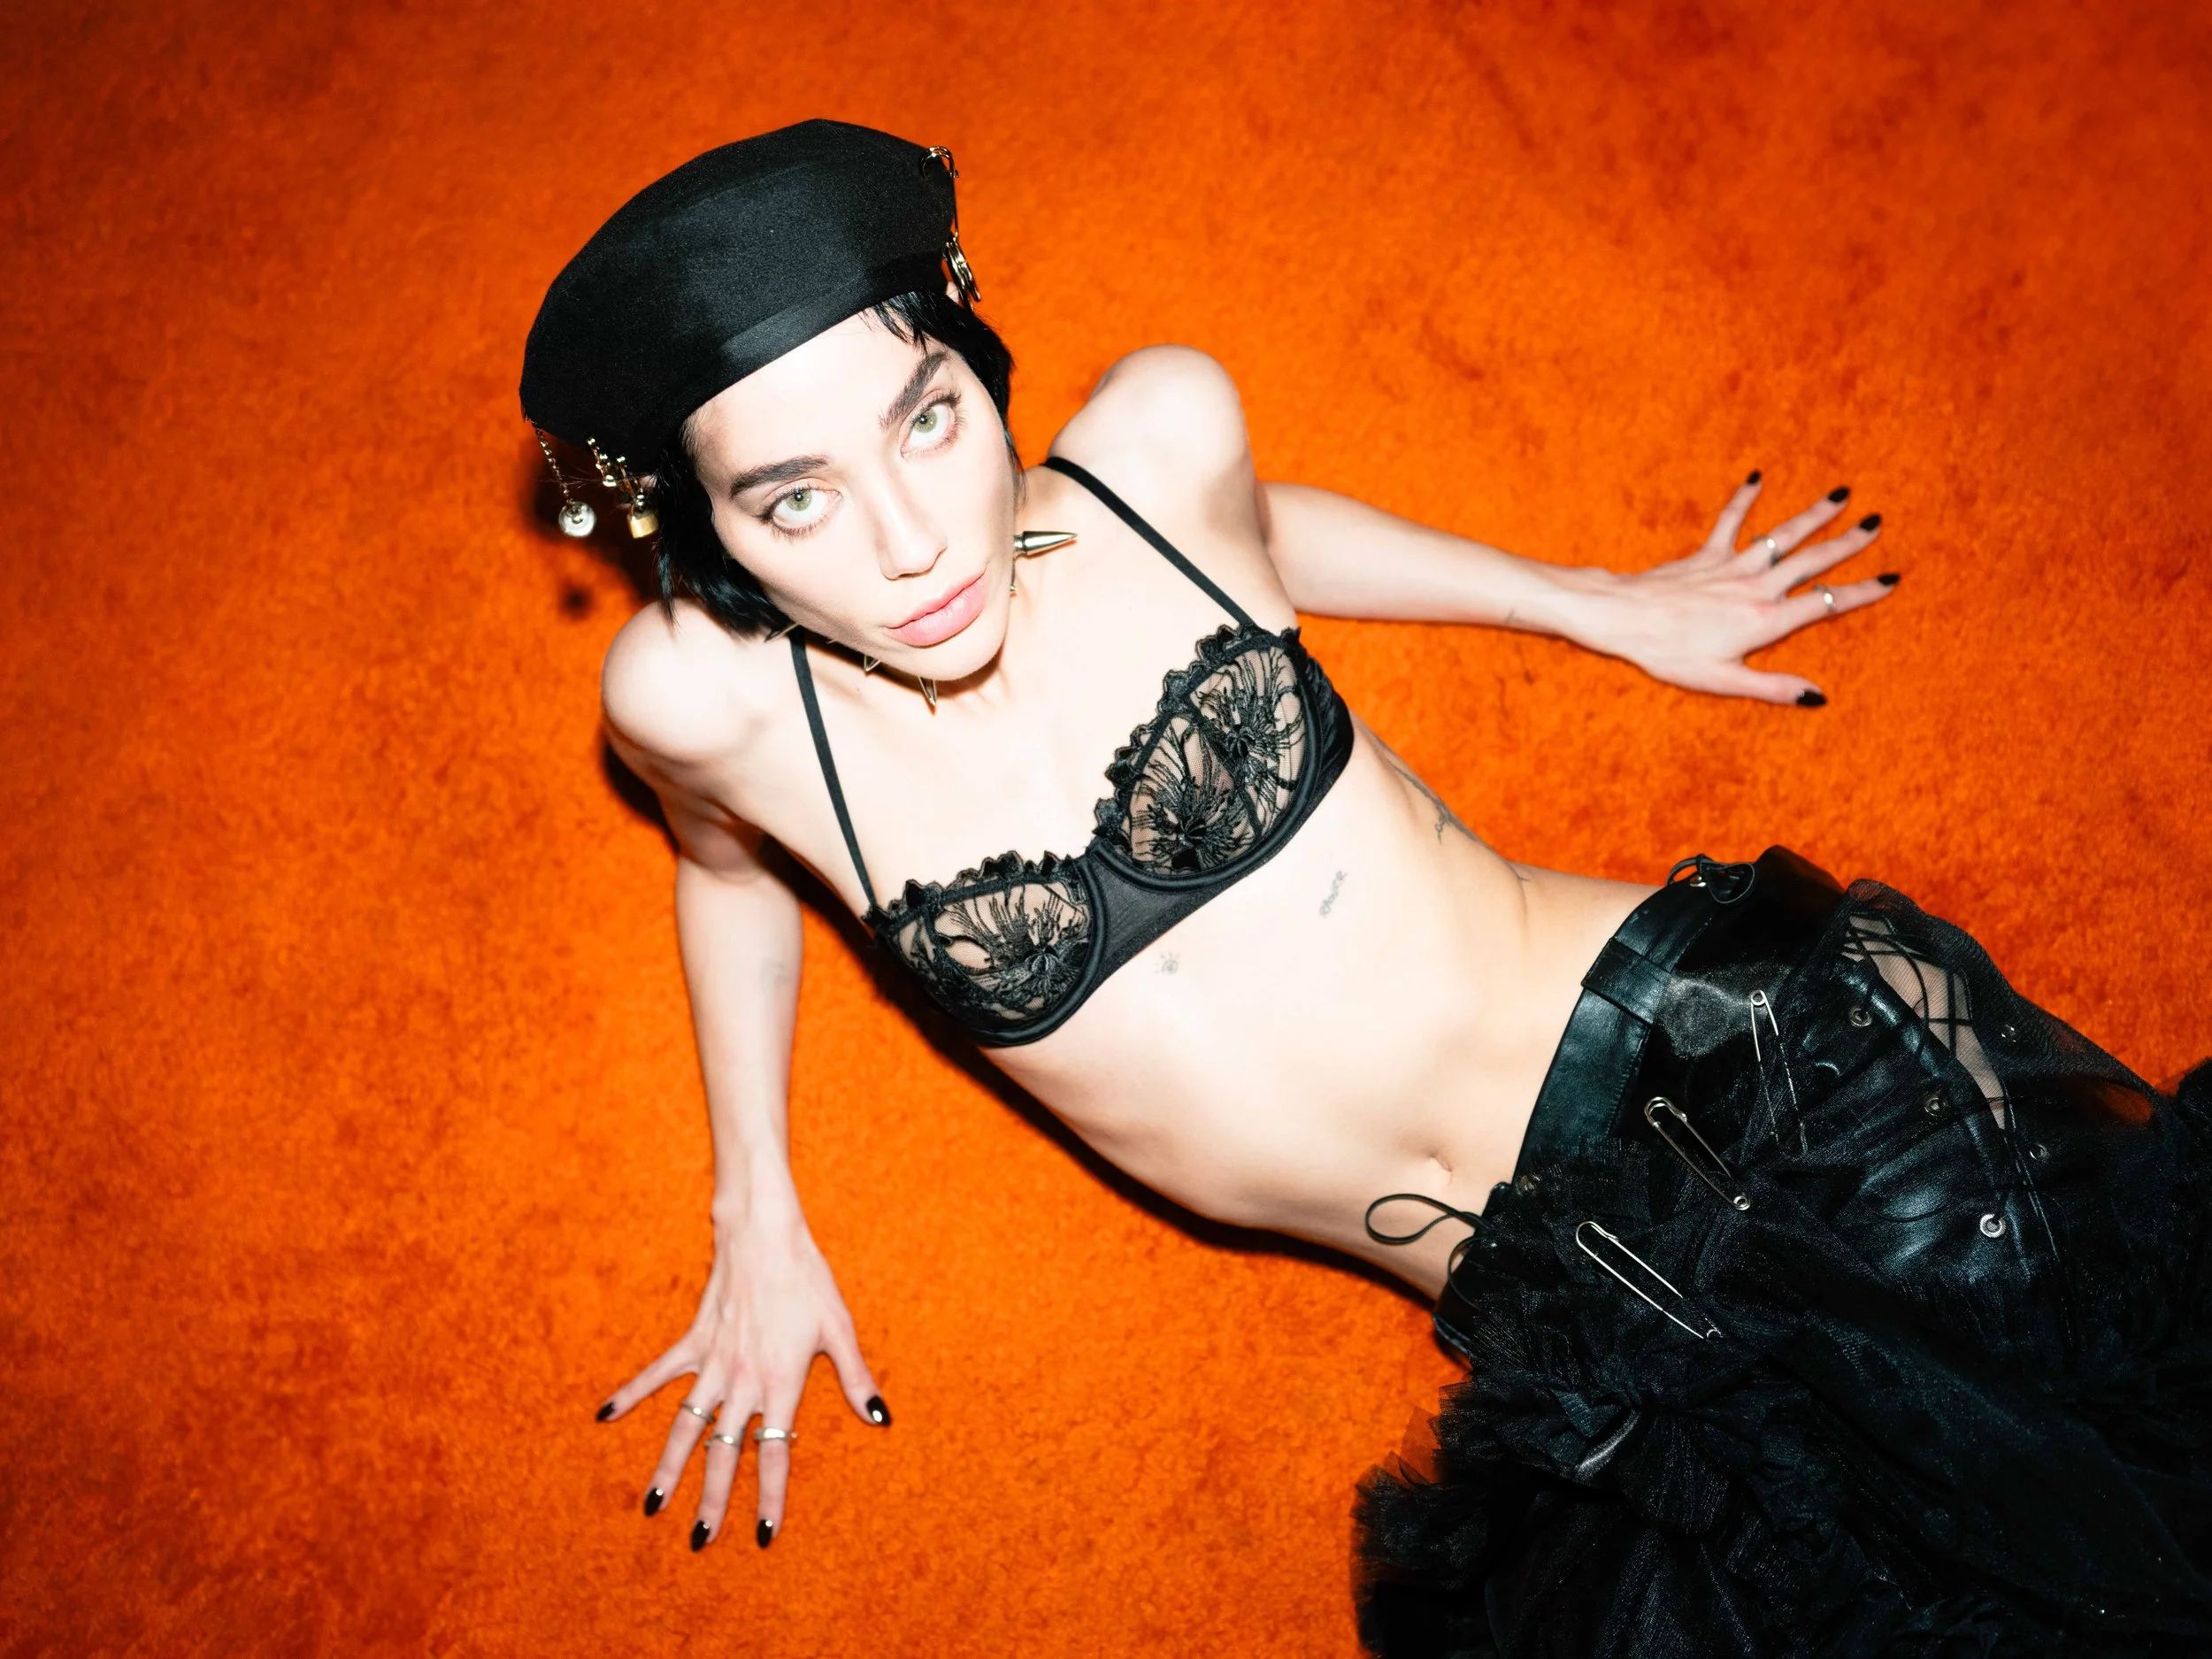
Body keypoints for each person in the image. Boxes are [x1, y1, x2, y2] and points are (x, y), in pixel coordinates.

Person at [520, 120, 2212, 1651]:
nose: (911, 543)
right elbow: (724, 869)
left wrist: (1589, 598)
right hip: (1560, 1323)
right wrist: (756, 1208)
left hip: (1742, 1073)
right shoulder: (699, 705)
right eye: (795, 500)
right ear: (706, 531)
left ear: (979, 362)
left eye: (930, 419)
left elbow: (1250, 528)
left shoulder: (1156, 443)